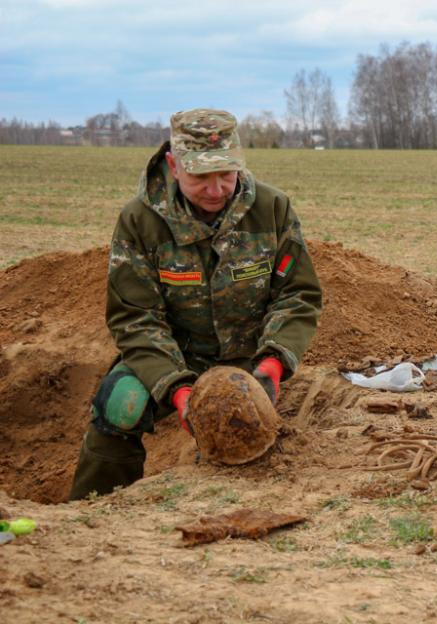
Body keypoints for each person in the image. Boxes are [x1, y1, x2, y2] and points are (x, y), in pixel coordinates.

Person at [69, 109, 323, 500]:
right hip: (175, 357)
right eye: (200, 176)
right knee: (121, 404)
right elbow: (136, 318)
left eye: (226, 173)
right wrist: (179, 390)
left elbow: (297, 295)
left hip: (249, 359)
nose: (216, 189)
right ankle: (95, 509)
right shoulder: (140, 221)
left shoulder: (272, 209)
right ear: (173, 164)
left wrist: (271, 365)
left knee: (247, 427)